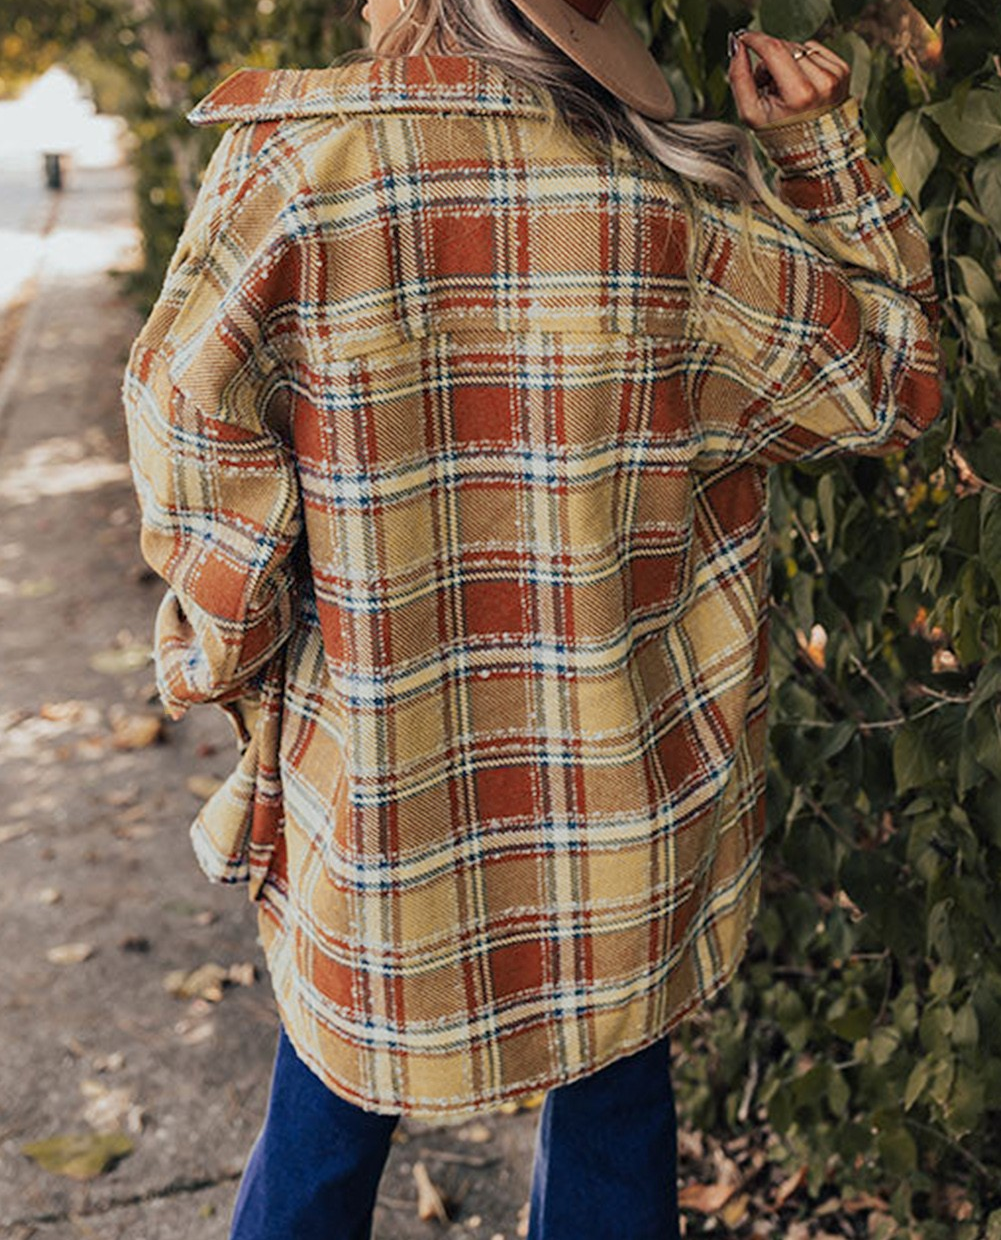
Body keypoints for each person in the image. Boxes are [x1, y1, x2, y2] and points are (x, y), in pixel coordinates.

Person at [121, 0, 944, 1236]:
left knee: (325, 1118)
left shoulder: (289, 173)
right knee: (613, 1108)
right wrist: (817, 149)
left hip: (379, 783)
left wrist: (238, 666)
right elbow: (896, 380)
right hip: (624, 798)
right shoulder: (674, 212)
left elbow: (190, 447)